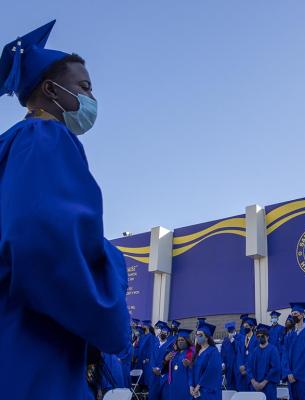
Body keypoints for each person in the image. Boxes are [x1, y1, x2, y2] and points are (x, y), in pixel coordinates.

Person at [0, 20, 131, 400]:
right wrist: (112, 263)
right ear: (50, 89)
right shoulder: (46, 137)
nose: (91, 97)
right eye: (84, 86)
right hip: (33, 345)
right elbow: (44, 241)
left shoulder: (10, 145)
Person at [189, 322, 222, 400]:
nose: (197, 337)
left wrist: (199, 385)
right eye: (196, 335)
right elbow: (191, 370)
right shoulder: (196, 352)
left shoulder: (213, 351)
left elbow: (211, 370)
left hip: (207, 391)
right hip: (195, 391)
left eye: (200, 335)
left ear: (207, 338)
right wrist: (191, 386)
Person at [247, 323, 281, 400]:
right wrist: (253, 381)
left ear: (267, 337)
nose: (260, 338)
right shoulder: (254, 351)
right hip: (255, 386)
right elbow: (249, 368)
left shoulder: (273, 350)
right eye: (258, 336)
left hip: (269, 386)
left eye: (263, 336)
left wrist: (264, 382)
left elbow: (276, 368)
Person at [165, 329, 194, 400]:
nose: (180, 342)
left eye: (182, 340)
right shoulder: (174, 353)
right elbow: (168, 368)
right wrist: (166, 360)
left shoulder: (190, 353)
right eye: (178, 340)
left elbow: (192, 371)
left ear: (187, 341)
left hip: (184, 385)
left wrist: (191, 385)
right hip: (173, 384)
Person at [149, 322, 174, 400]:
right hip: (153, 374)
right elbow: (152, 358)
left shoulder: (170, 346)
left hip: (162, 374)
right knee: (152, 394)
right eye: (162, 332)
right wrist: (153, 367)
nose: (163, 334)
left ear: (168, 334)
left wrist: (160, 369)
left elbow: (168, 360)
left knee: (162, 394)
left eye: (165, 333)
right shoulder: (155, 344)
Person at [236, 317, 258, 391]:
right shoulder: (241, 340)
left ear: (251, 327)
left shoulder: (256, 340)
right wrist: (240, 366)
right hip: (241, 370)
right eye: (244, 326)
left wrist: (246, 367)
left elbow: (254, 356)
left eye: (247, 326)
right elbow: (239, 354)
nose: (245, 328)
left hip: (251, 370)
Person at [221, 321, 239, 390]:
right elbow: (222, 353)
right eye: (229, 331)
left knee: (238, 386)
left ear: (234, 330)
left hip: (237, 367)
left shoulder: (239, 338)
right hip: (228, 367)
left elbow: (239, 351)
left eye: (231, 331)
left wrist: (234, 342)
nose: (230, 332)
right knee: (230, 386)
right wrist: (222, 362)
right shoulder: (225, 340)